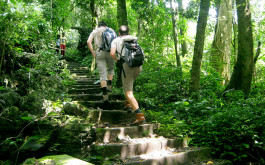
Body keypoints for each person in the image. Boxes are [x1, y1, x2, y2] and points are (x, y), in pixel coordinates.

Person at [110, 25, 146, 126]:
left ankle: (140, 116)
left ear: (119, 33)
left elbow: (112, 53)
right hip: (138, 66)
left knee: (128, 93)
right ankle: (128, 104)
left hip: (127, 66)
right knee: (129, 85)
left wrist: (117, 60)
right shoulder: (133, 39)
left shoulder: (116, 40)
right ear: (128, 33)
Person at [87, 21, 115, 102]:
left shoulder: (95, 31)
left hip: (99, 53)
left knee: (103, 74)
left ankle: (105, 94)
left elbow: (88, 42)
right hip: (110, 52)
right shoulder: (111, 30)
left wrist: (93, 53)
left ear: (99, 26)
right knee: (111, 68)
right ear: (105, 25)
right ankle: (109, 83)